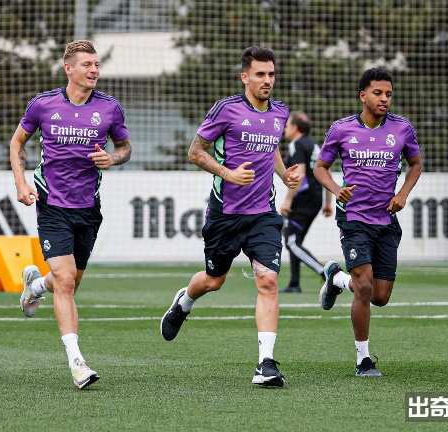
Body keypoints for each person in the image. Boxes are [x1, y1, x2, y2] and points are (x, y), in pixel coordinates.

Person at [159, 46, 299, 387]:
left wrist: (283, 175)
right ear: (245, 77)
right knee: (213, 281)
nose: (267, 80)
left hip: (263, 214)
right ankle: (184, 301)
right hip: (225, 214)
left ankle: (266, 364)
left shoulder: (280, 111)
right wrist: (228, 174)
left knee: (268, 280)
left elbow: (271, 148)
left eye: (271, 74)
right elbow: (195, 152)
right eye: (260, 74)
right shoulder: (226, 109)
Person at [9, 40, 131, 389]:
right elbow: (17, 143)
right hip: (52, 204)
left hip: (88, 208)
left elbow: (124, 147)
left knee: (69, 283)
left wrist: (113, 158)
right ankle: (77, 362)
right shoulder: (43, 104)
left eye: (97, 64)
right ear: (69, 68)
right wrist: (21, 183)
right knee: (64, 281)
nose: (94, 70)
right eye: (87, 64)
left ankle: (35, 286)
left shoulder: (110, 108)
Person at [313, 68, 422, 377]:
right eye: (378, 93)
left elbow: (415, 164)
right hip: (354, 219)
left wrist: (402, 193)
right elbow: (320, 168)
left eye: (388, 94)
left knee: (380, 296)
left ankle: (336, 279)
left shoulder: (402, 128)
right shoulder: (341, 129)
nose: (384, 99)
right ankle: (363, 360)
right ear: (363, 95)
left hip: (386, 220)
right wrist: (337, 190)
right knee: (363, 287)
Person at [279, 111, 334, 293]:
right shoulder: (314, 145)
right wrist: (327, 202)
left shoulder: (296, 144)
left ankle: (326, 273)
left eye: (287, 126)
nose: (284, 129)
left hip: (303, 199)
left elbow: (299, 174)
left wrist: (287, 201)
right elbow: (327, 172)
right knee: (296, 240)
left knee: (291, 242)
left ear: (295, 128)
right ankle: (294, 283)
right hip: (315, 199)